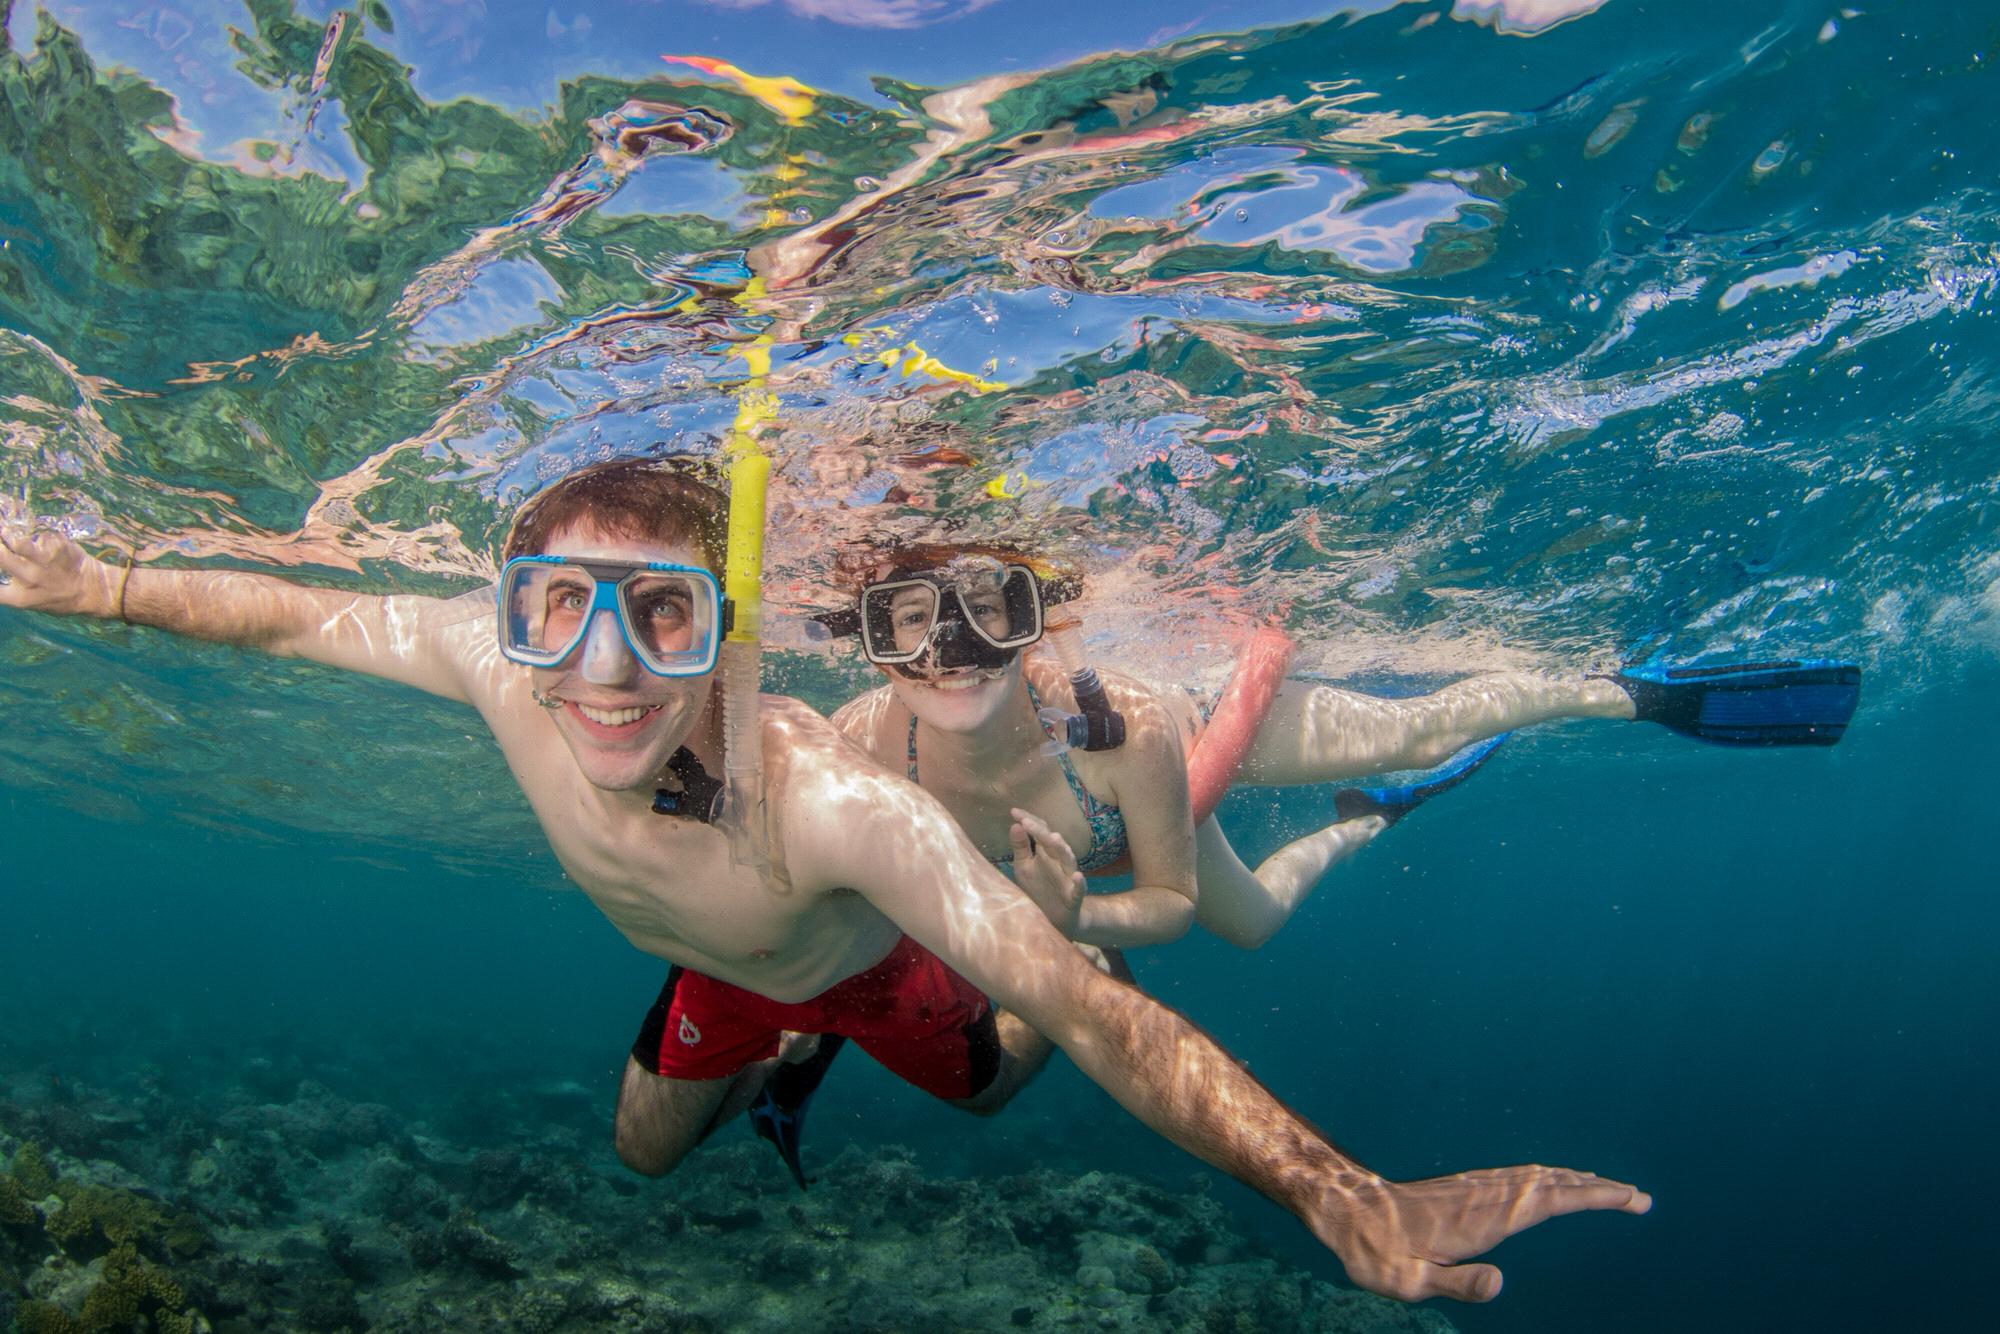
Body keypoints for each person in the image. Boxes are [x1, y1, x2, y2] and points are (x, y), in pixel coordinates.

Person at [0, 458, 1650, 1305]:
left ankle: (1029, 941)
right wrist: (103, 583)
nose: (601, 670)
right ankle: (786, 1036)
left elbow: (1094, 1022)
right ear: (507, 613)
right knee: (641, 1156)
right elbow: (296, 611)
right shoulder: (489, 663)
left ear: (722, 633)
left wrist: (1333, 1188)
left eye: (660, 614)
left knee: (1004, 1071)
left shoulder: (834, 803)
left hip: (873, 959)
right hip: (732, 970)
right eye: (558, 608)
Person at [823, 543, 1859, 951]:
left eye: (989, 612)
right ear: (867, 647)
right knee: (1255, 928)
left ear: (1034, 623)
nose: (949, 653)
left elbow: (1168, 895)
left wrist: (1081, 915)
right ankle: (1372, 820)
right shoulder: (854, 745)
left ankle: (1628, 692)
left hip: (1194, 744)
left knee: (1412, 727)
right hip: (1137, 821)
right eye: (904, 624)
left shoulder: (1124, 723)